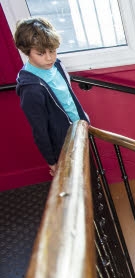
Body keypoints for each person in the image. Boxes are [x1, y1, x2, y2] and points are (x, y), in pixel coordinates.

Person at [14, 17, 89, 177]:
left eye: (52, 51)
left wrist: (83, 119)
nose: (49, 58)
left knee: (88, 171)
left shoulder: (57, 65)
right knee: (76, 181)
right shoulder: (31, 89)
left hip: (80, 130)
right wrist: (52, 162)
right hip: (63, 144)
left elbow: (68, 97)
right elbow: (39, 130)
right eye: (41, 53)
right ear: (27, 52)